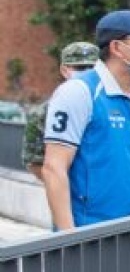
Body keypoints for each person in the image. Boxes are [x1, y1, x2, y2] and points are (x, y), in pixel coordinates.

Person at [42, 10, 130, 230]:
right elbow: (54, 168)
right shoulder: (79, 92)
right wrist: (68, 238)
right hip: (91, 235)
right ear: (117, 47)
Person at [23, 41, 100, 182]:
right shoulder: (43, 112)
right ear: (64, 70)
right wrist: (66, 188)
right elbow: (34, 161)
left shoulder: (112, 104)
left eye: (92, 67)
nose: (87, 72)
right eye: (80, 67)